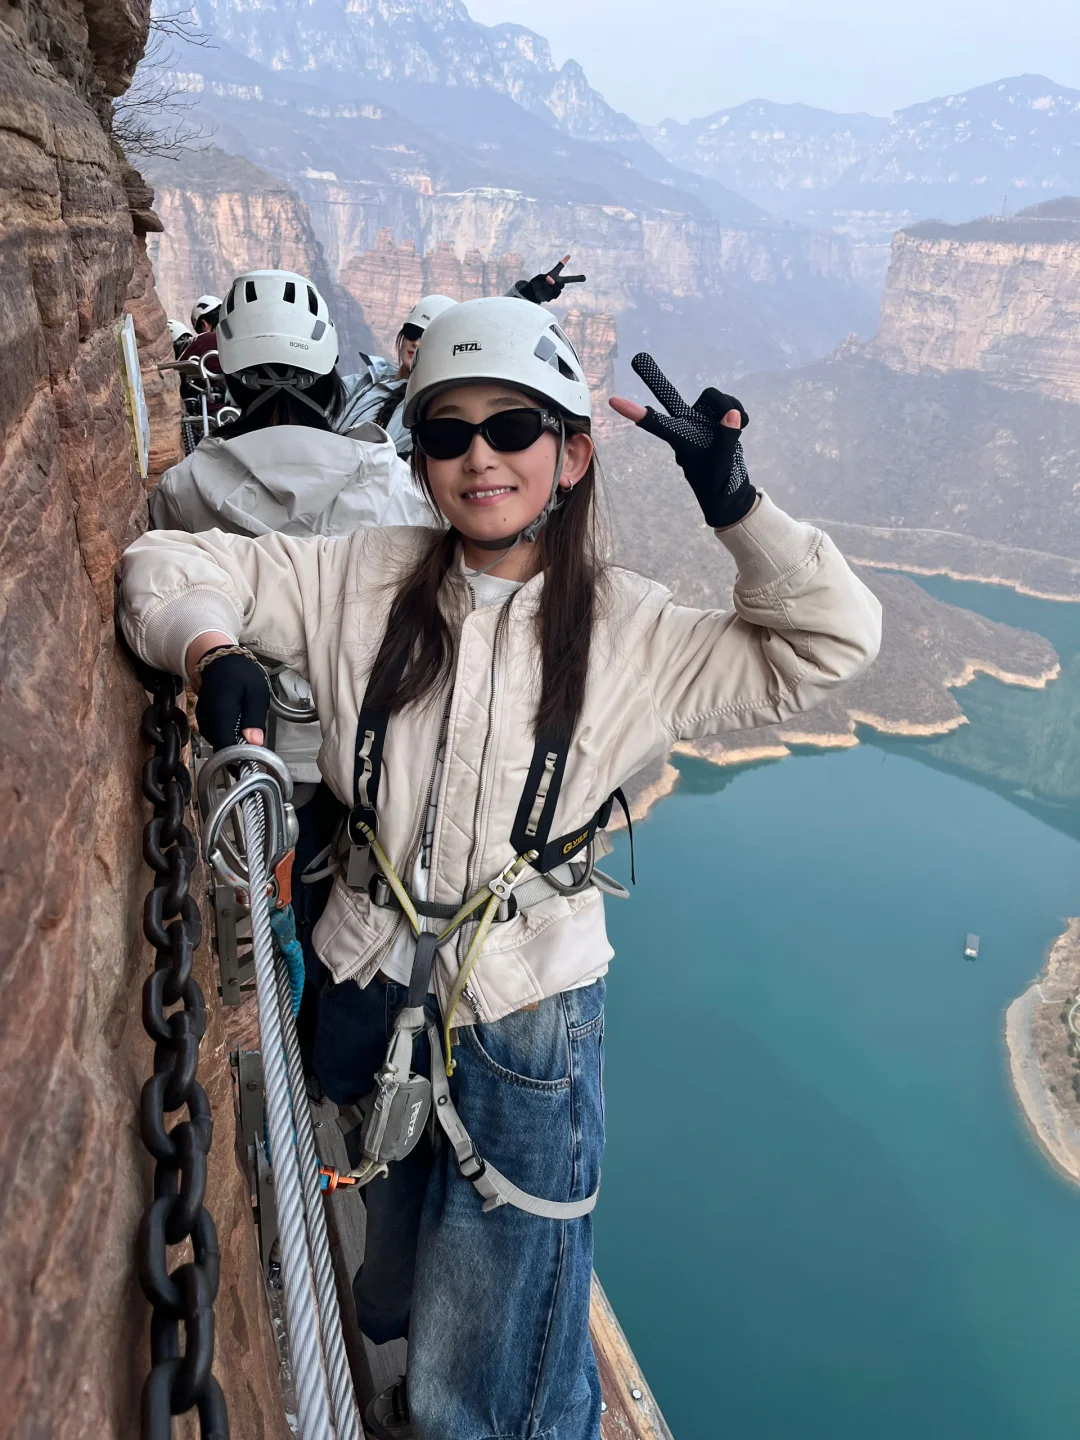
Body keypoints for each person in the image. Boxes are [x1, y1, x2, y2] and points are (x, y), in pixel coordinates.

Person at [119, 296, 881, 1440]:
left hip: (526, 1011)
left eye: (515, 427)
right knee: (406, 1255)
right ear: (417, 457)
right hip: (369, 979)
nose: (481, 457)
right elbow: (167, 559)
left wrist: (736, 505)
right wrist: (211, 646)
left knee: (492, 1353)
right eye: (446, 432)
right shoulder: (354, 579)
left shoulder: (636, 631)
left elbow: (829, 639)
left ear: (572, 453)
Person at [151, 267, 437, 1069]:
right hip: (362, 743)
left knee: (271, 903)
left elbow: (171, 574)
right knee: (359, 908)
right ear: (325, 367)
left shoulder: (186, 486)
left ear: (230, 370)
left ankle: (285, 1033)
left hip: (249, 743)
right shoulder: (387, 480)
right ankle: (336, 1069)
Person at [336, 255, 587, 455]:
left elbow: (484, 334)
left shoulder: (434, 402)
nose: (416, 343)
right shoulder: (363, 382)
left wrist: (529, 296)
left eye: (428, 338)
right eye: (412, 332)